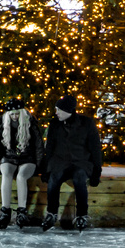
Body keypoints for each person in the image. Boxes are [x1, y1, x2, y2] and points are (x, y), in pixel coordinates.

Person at [38, 94, 102, 232]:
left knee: (80, 179)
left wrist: (97, 172)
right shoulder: (55, 124)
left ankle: (81, 215)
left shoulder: (86, 123)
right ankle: (51, 213)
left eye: (59, 110)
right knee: (54, 179)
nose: (56, 113)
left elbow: (95, 149)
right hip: (60, 161)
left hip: (81, 162)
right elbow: (49, 148)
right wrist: (45, 169)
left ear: (68, 110)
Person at [0, 98, 43, 229]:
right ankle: (5, 211)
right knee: (6, 174)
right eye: (12, 114)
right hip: (9, 157)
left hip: (27, 158)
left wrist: (40, 165)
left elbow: (39, 145)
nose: (14, 116)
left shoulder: (30, 122)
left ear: (22, 113)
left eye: (17, 113)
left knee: (21, 177)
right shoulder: (2, 122)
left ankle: (22, 211)